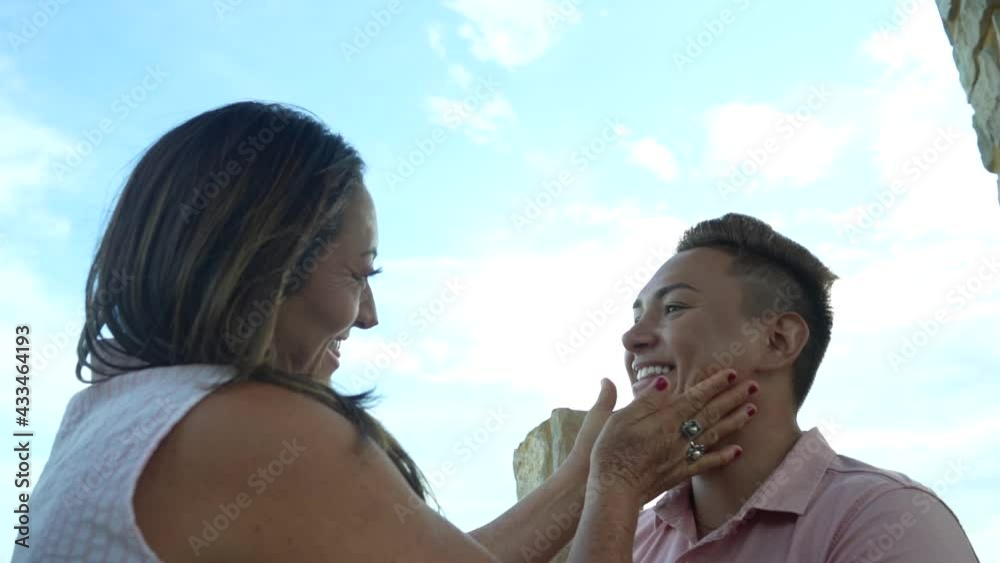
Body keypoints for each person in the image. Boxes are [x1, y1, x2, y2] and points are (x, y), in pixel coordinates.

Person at [19, 101, 760, 563]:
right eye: (359, 273)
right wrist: (618, 485)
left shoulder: (118, 416)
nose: (368, 315)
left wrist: (582, 479)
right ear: (269, 262)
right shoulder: (251, 430)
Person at [623, 213, 981, 562]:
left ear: (778, 340)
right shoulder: (628, 534)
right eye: (637, 317)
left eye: (674, 307)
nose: (632, 337)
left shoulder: (888, 518)